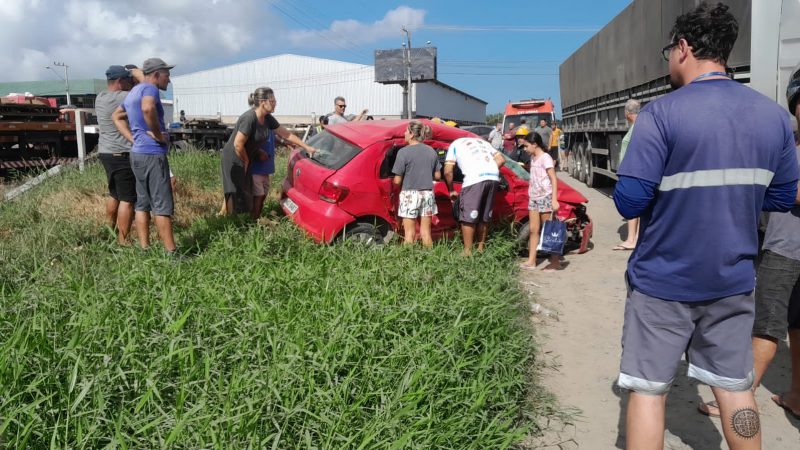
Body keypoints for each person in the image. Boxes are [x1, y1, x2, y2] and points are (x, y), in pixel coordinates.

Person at [613, 4, 798, 449]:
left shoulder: (660, 115)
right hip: (733, 280)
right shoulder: (774, 117)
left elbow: (629, 201)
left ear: (683, 48)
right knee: (735, 388)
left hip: (662, 280)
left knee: (647, 389)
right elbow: (779, 197)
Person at [698, 62, 800, 421]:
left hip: (786, 249)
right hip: (787, 245)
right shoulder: (792, 141)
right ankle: (796, 395)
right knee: (795, 324)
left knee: (766, 325)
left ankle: (741, 396)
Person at [112, 57, 178, 253]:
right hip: (152, 153)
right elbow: (148, 108)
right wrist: (159, 136)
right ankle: (171, 253)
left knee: (143, 203)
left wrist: (134, 139)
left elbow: (116, 116)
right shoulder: (150, 89)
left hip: (137, 154)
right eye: (167, 75)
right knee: (161, 204)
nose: (169, 80)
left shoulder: (134, 91)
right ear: (156, 74)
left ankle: (144, 247)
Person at [221, 87, 317, 215]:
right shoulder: (249, 118)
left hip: (244, 155)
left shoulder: (267, 118)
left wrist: (306, 146)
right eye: (272, 101)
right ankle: (229, 220)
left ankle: (226, 213)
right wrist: (246, 160)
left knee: (239, 187)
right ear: (262, 102)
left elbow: (286, 134)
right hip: (234, 156)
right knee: (234, 189)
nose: (275, 103)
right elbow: (238, 144)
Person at [96, 64, 142, 244]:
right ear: (120, 81)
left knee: (114, 194)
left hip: (106, 152)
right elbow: (147, 89)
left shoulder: (100, 97)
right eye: (128, 81)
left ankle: (109, 229)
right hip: (121, 153)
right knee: (128, 199)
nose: (131, 84)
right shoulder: (124, 97)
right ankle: (124, 240)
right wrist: (138, 74)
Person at [444, 137, 506, 256]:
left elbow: (447, 171)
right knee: (484, 215)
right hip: (493, 177)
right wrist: (488, 169)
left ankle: (467, 251)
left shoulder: (455, 143)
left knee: (469, 216)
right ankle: (480, 248)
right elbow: (501, 160)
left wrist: (451, 190)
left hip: (474, 180)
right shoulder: (483, 142)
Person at [392, 121, 441, 247]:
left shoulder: (403, 152)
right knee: (426, 233)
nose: (404, 133)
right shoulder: (431, 151)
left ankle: (408, 264)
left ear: (412, 134)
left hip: (410, 194)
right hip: (427, 194)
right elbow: (437, 176)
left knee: (409, 234)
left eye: (406, 131)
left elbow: (397, 180)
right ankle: (430, 261)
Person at [518, 130, 561, 272]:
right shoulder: (533, 158)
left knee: (550, 230)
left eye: (526, 146)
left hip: (545, 197)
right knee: (533, 230)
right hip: (534, 198)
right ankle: (532, 261)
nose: (525, 149)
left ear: (534, 144)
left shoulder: (545, 158)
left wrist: (554, 199)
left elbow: (553, 178)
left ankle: (555, 262)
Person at [612, 99, 641, 251]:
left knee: (631, 205)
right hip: (633, 171)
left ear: (627, 113)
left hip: (632, 172)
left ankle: (631, 239)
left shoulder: (637, 128)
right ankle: (636, 238)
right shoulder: (638, 126)